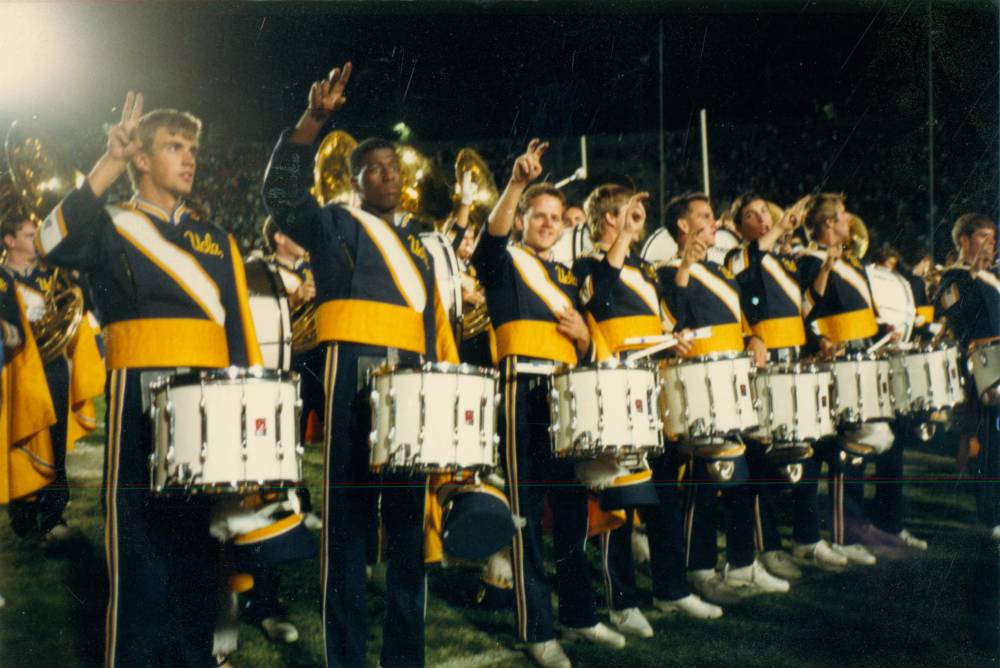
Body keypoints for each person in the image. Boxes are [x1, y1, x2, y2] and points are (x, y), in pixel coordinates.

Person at [37, 92, 262, 667]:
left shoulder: (218, 238)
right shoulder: (111, 226)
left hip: (211, 410)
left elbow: (241, 336)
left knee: (197, 561)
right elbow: (49, 241)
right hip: (139, 400)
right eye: (173, 147)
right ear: (141, 158)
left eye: (192, 148)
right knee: (138, 560)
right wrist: (106, 164)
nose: (189, 159)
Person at [261, 62, 460, 667]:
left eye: (396, 169)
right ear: (354, 180)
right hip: (351, 378)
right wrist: (313, 120)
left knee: (406, 533)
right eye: (376, 168)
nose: (390, 177)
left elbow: (429, 334)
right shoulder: (334, 225)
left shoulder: (422, 252)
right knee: (347, 530)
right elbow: (280, 197)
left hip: (411, 386)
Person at [472, 140, 624, 668]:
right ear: (523, 220)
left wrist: (584, 338)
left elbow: (584, 342)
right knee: (525, 516)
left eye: (556, 217)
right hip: (522, 392)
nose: (548, 223)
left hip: (565, 396)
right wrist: (515, 183)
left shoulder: (565, 276)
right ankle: (537, 629)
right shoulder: (504, 262)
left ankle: (581, 616)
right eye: (539, 215)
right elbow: (485, 246)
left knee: (570, 514)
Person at [573, 183, 722, 636]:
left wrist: (674, 336)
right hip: (616, 392)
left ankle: (670, 588)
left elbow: (664, 319)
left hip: (653, 389)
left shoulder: (643, 268)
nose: (636, 221)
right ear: (606, 221)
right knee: (620, 498)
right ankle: (621, 602)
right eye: (626, 214)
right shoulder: (584, 265)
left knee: (663, 499)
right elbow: (599, 298)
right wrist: (621, 238)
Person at [656, 192, 789, 604]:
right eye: (706, 217)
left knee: (739, 481)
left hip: (734, 383)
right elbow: (674, 316)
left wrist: (755, 337)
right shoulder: (665, 270)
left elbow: (743, 317)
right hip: (697, 387)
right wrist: (686, 267)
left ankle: (742, 563)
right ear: (683, 225)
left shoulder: (723, 271)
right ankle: (699, 569)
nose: (715, 223)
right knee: (704, 480)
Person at [725, 192, 848, 575]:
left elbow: (806, 308)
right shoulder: (739, 258)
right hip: (764, 366)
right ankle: (768, 547)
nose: (762, 218)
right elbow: (745, 267)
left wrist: (826, 270)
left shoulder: (785, 262)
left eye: (766, 211)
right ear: (739, 227)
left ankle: (807, 539)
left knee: (806, 450)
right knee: (762, 455)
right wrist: (779, 226)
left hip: (795, 362)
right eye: (751, 215)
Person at [797, 193, 892, 565]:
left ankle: (851, 525)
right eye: (840, 217)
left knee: (860, 444)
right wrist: (821, 340)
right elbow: (807, 308)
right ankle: (839, 530)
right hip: (835, 362)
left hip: (861, 353)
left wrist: (881, 327)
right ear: (825, 225)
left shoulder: (851, 260)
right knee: (843, 446)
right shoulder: (808, 260)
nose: (848, 222)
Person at [935, 213, 999, 530]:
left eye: (993, 237)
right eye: (984, 237)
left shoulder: (990, 276)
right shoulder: (953, 279)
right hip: (985, 363)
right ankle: (991, 518)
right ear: (964, 241)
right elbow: (960, 321)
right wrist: (974, 275)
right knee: (990, 442)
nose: (992, 243)